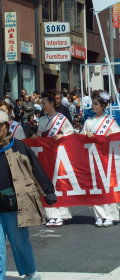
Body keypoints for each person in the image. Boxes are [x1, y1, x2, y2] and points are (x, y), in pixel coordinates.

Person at [0, 109, 57, 280]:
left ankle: (30, 272)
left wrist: (48, 191)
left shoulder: (18, 146)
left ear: (6, 126)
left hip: (14, 203)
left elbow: (35, 169)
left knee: (19, 242)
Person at [81, 90, 120, 227]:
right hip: (93, 157)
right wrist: (86, 135)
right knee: (95, 186)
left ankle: (110, 215)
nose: (93, 106)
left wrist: (111, 133)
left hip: (106, 157)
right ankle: (99, 215)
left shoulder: (110, 121)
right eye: (93, 104)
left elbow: (118, 136)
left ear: (103, 106)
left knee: (109, 186)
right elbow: (80, 139)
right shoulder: (88, 122)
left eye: (96, 104)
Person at [37, 92, 73, 227]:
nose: (43, 106)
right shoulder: (41, 120)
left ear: (51, 103)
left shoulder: (62, 119)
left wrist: (62, 136)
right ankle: (50, 215)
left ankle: (61, 215)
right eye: (42, 103)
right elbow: (40, 138)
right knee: (47, 184)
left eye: (44, 103)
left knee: (60, 184)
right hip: (46, 156)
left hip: (60, 156)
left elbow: (71, 133)